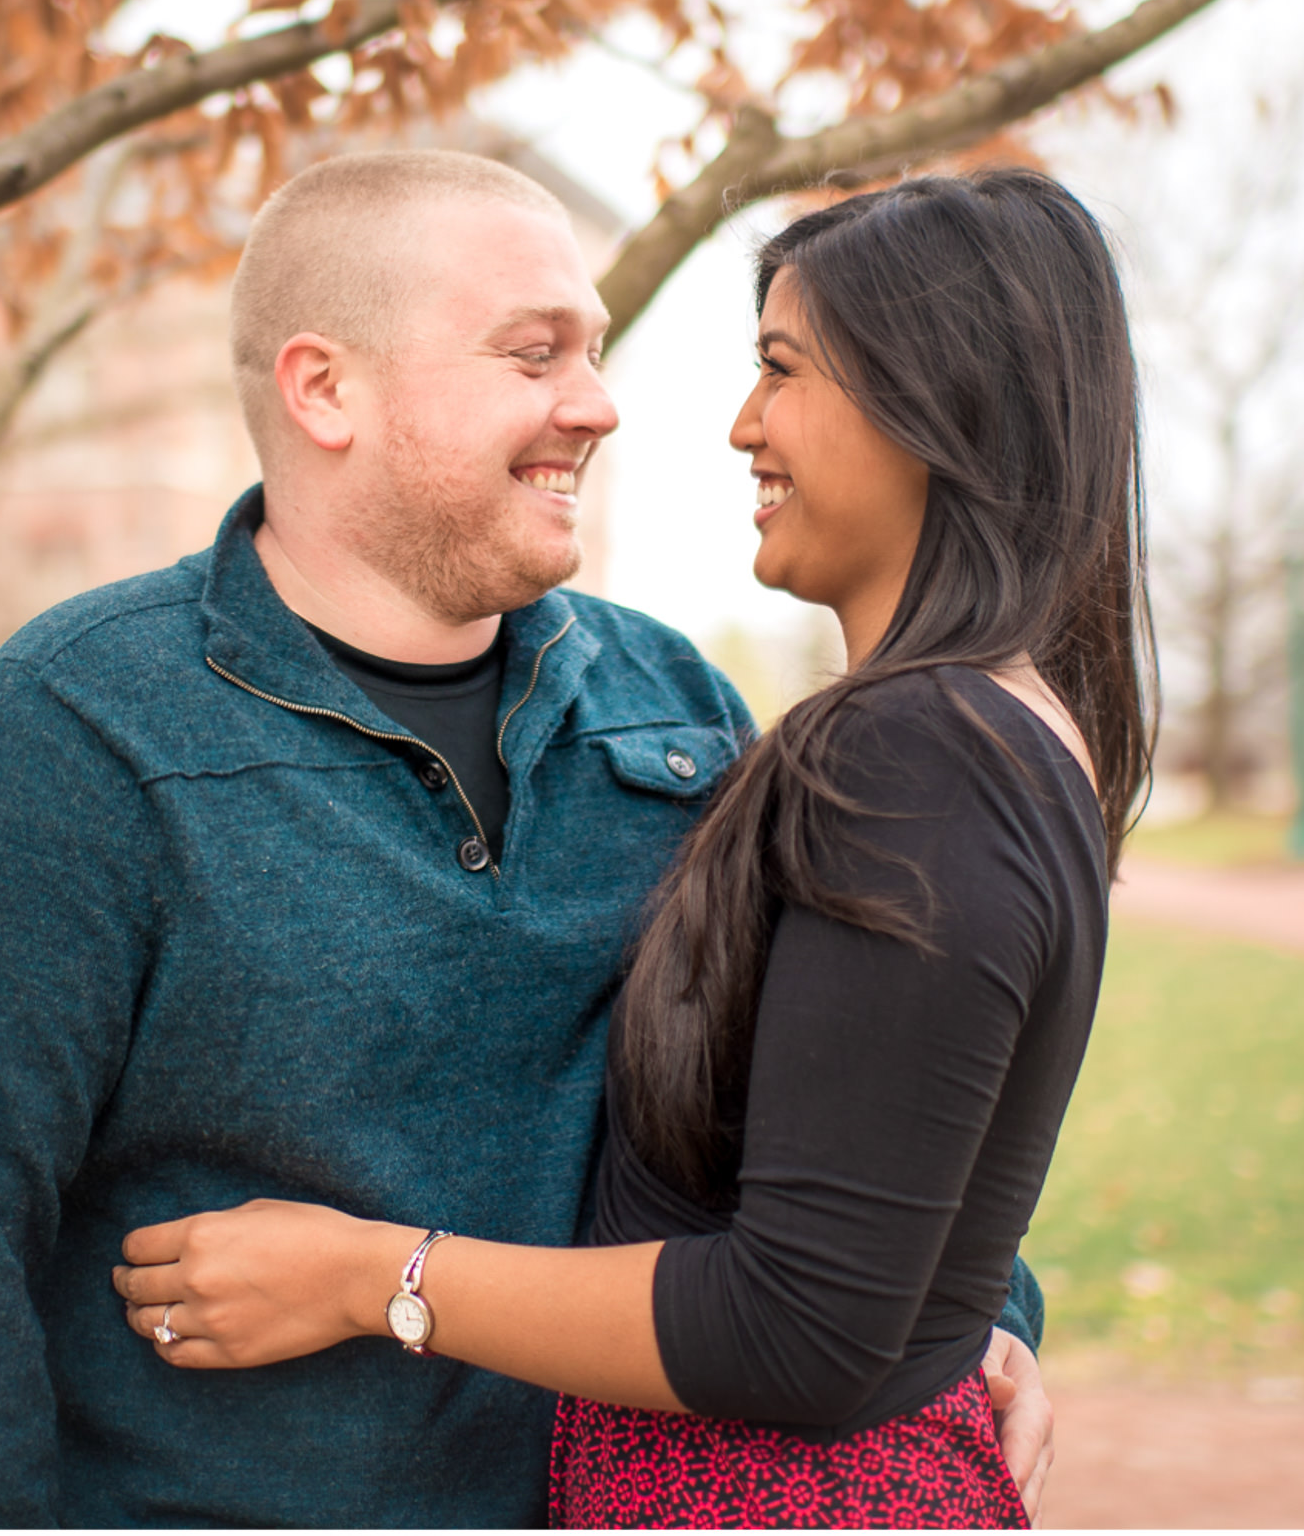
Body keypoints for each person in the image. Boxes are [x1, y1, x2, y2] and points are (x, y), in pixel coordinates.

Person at [0, 152, 1052, 1526]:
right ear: (324, 387)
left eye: (591, 351)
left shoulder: (674, 706)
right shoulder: (73, 734)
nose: (598, 403)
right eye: (534, 355)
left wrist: (980, 1313)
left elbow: (859, 1084)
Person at [111, 167, 1145, 1527]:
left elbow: (802, 1323)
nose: (740, 425)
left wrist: (366, 1275)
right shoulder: (996, 725)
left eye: (781, 368)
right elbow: (894, 1138)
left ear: (929, 400)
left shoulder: (910, 748)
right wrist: (965, 1322)